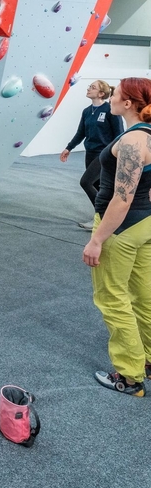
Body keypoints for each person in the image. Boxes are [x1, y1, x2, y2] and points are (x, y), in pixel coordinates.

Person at [82, 77, 151, 397]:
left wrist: (97, 239)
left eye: (116, 94)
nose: (110, 97)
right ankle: (147, 361)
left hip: (121, 229)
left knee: (112, 298)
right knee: (144, 296)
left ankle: (130, 375)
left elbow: (121, 198)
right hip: (145, 225)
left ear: (128, 104)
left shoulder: (133, 141)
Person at [60, 80, 123, 229]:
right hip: (90, 152)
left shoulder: (110, 110)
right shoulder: (87, 111)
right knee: (98, 186)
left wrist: (114, 155)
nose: (89, 89)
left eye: (92, 87)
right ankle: (103, 217)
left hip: (104, 154)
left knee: (86, 182)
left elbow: (119, 134)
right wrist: (69, 148)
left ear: (101, 93)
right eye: (89, 87)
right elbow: (81, 132)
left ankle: (105, 217)